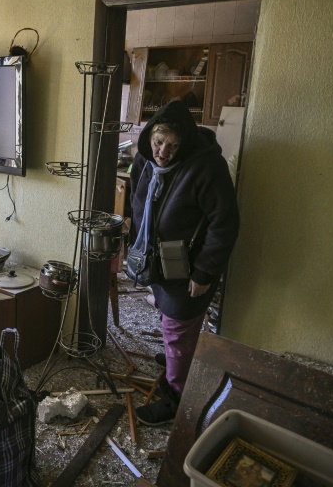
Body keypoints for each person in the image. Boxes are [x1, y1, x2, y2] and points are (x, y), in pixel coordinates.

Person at [129, 100, 239, 426]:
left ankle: (176, 399)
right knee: (169, 318)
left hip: (189, 267)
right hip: (157, 259)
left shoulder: (207, 167)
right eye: (158, 142)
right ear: (150, 136)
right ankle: (177, 359)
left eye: (173, 146)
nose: (163, 152)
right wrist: (134, 243)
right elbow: (137, 200)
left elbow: (224, 225)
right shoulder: (145, 158)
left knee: (178, 327)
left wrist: (204, 272)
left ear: (185, 143)